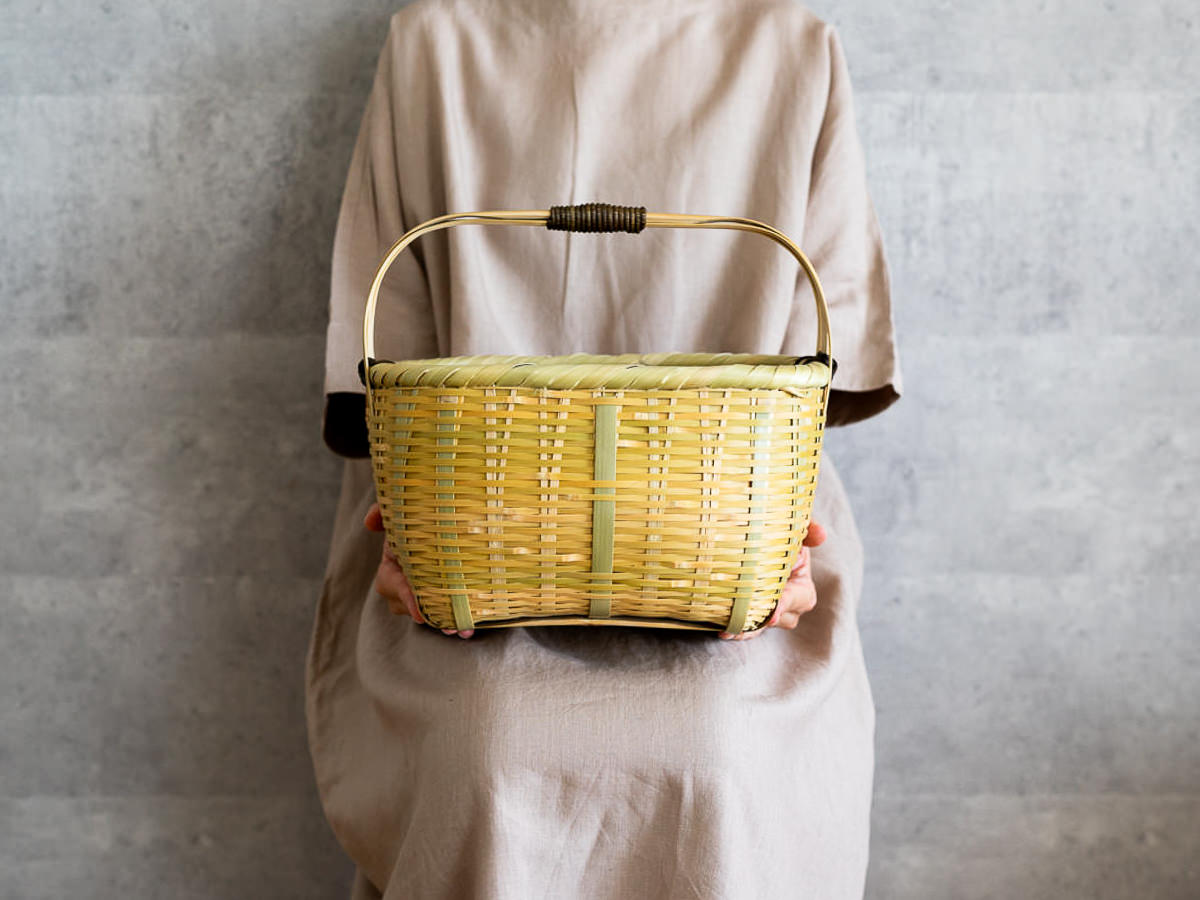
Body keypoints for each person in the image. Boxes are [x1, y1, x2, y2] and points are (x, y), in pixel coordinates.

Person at [309, 0, 901, 897]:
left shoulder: (796, 47)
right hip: (468, 555)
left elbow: (817, 384)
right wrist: (405, 538)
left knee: (722, 747)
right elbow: (383, 375)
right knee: (488, 745)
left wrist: (785, 551)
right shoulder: (432, 42)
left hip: (736, 556)